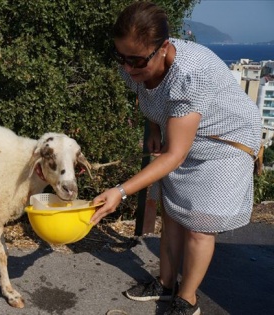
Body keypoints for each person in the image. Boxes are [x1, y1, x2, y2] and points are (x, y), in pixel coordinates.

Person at [90, 2, 262, 315]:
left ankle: (187, 300)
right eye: (122, 58)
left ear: (164, 48)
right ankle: (165, 284)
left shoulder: (189, 74)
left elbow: (175, 154)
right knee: (172, 215)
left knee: (199, 225)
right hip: (185, 134)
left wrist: (120, 190)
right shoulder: (135, 63)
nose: (128, 69)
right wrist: (154, 124)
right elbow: (148, 92)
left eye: (137, 60)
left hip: (227, 139)